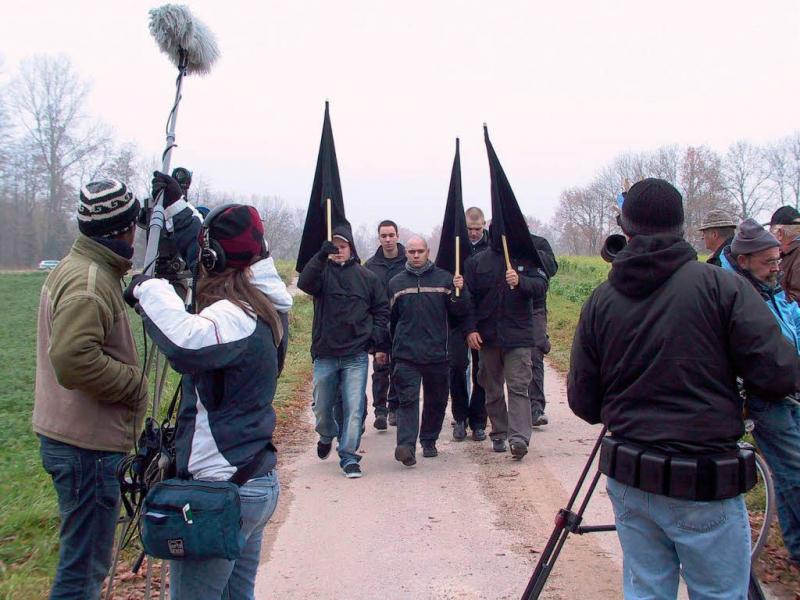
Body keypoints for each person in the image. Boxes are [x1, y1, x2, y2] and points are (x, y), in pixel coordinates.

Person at [568, 178, 800, 599]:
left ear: (626, 226)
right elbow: (781, 374)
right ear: (681, 226)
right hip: (703, 480)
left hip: (632, 476)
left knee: (647, 591)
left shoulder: (600, 300)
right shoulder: (723, 288)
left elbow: (584, 402)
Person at [126, 193, 289, 599]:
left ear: (213, 259)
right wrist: (178, 210)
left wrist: (149, 290)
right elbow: (217, 253)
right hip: (254, 483)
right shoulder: (267, 301)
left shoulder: (233, 315)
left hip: (221, 491)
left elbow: (184, 341)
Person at [33, 179, 148, 599]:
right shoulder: (89, 282)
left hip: (75, 436)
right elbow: (72, 359)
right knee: (83, 570)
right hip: (85, 445)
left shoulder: (85, 268)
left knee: (82, 561)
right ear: (125, 229)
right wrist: (134, 383)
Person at [721, 218, 800, 564]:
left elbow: (791, 322)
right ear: (744, 261)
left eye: (778, 260)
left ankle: (796, 550)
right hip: (766, 397)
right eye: (769, 262)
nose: (776, 268)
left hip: (789, 387)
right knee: (795, 471)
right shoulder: (737, 293)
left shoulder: (769, 286)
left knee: (787, 474)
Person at [297, 227, 389, 478]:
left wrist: (374, 337)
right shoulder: (321, 275)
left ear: (351, 248)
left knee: (354, 407)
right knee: (322, 407)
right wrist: (319, 257)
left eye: (343, 246)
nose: (339, 251)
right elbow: (304, 283)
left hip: (355, 354)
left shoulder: (367, 277)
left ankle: (349, 456)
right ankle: (326, 433)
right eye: (334, 247)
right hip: (325, 353)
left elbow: (381, 310)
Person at [464, 225, 548, 460]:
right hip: (487, 337)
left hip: (518, 336)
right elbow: (468, 300)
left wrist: (521, 281)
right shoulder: (477, 263)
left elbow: (541, 286)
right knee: (492, 387)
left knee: (519, 386)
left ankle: (519, 438)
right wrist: (470, 329)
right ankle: (499, 431)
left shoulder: (527, 259)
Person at [387, 236, 470, 466]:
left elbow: (459, 315)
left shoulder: (445, 280)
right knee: (407, 400)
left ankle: (429, 440)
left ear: (428, 251)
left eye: (420, 251)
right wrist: (386, 348)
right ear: (406, 253)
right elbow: (390, 321)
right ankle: (405, 446)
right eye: (412, 251)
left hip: (437, 353)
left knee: (437, 400)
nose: (415, 255)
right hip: (406, 355)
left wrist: (459, 293)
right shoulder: (396, 283)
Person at [449, 207, 490, 442]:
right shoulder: (456, 247)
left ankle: (478, 420)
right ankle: (460, 417)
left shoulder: (491, 248)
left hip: (482, 319)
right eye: (470, 229)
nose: (473, 233)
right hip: (457, 318)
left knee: (481, 371)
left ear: (484, 225)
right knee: (456, 367)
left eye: (478, 228)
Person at [364, 219, 407, 429]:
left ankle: (394, 407)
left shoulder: (409, 260)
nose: (388, 239)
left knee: (400, 368)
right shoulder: (370, 266)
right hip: (379, 324)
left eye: (391, 235)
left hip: (404, 324)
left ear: (397, 236)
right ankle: (379, 411)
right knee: (380, 368)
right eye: (384, 236)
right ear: (379, 237)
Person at [529, 233, 558, 427]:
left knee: (535, 352)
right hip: (503, 308)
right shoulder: (497, 242)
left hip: (535, 307)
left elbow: (552, 268)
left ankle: (536, 407)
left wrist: (531, 252)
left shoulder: (539, 243)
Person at [769, 205, 800, 302]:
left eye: (771, 233)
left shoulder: (797, 254)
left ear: (780, 233)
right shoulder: (789, 254)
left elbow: (796, 300)